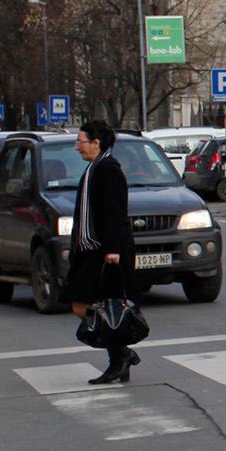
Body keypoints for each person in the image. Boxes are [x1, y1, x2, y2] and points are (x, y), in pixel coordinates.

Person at [68, 120, 140, 384]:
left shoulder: (108, 169)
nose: (77, 147)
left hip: (106, 252)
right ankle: (122, 355)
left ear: (96, 143)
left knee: (104, 308)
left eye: (80, 141)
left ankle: (119, 358)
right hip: (90, 251)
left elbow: (116, 212)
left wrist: (113, 249)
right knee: (82, 305)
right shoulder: (94, 167)